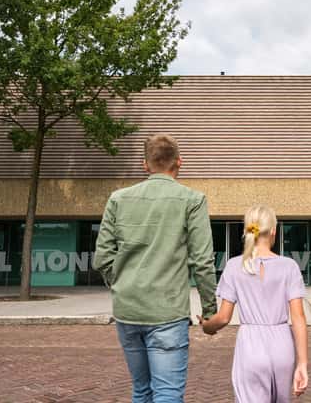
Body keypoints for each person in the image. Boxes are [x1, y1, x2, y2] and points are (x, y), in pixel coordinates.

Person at [93, 133, 218, 403]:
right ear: (179, 162)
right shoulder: (192, 200)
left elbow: (102, 257)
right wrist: (210, 311)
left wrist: (122, 284)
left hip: (128, 310)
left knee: (142, 391)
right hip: (167, 312)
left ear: (145, 165)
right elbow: (202, 261)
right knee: (168, 393)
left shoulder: (118, 199)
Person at [200, 205, 309, 401]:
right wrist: (302, 363)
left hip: (250, 346)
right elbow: (298, 317)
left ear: (247, 230)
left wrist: (207, 326)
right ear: (273, 231)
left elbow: (223, 317)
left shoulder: (235, 266)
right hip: (282, 345)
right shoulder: (289, 267)